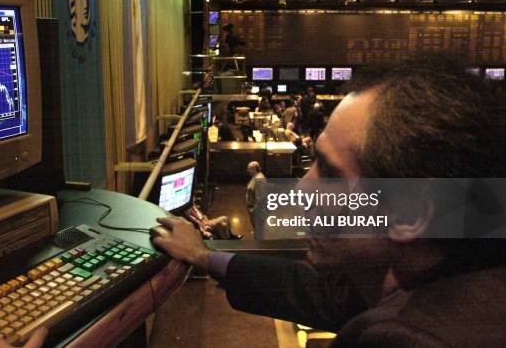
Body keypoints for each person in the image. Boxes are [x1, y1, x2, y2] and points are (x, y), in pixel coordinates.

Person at [152, 61, 506, 346]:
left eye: (331, 173)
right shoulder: (449, 265)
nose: (301, 190)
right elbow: (322, 294)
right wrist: (204, 257)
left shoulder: (403, 338)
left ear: (411, 214)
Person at [245, 161, 266, 228]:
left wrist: (254, 210)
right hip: (253, 209)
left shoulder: (259, 179)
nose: (248, 171)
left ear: (254, 169)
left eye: (249, 169)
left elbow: (261, 197)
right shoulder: (255, 177)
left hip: (257, 210)